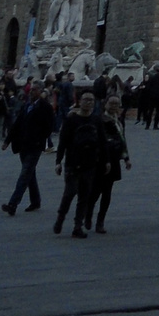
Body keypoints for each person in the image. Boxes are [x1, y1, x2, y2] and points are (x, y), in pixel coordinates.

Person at [54, 89, 103, 237]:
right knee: (70, 192)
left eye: (91, 100)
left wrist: (105, 160)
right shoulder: (72, 120)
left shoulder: (96, 120)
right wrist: (58, 161)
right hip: (72, 163)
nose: (88, 102)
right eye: (86, 99)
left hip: (90, 163)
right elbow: (63, 142)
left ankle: (77, 226)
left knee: (84, 196)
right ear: (79, 101)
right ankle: (60, 218)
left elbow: (102, 141)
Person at [1, 81, 55, 214]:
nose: (32, 92)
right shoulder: (27, 106)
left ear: (41, 91)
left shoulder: (45, 107)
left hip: (35, 146)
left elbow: (50, 127)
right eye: (31, 90)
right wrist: (7, 141)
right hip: (23, 145)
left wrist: (39, 139)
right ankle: (35, 201)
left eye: (35, 90)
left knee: (24, 174)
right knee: (30, 174)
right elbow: (17, 124)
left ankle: (13, 204)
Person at [89, 95, 131, 232]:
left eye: (117, 104)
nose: (114, 106)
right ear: (105, 104)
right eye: (111, 103)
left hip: (113, 159)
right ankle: (88, 213)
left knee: (107, 192)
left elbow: (122, 139)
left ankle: (100, 221)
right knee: (96, 191)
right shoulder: (101, 120)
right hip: (101, 160)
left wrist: (126, 158)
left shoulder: (119, 120)